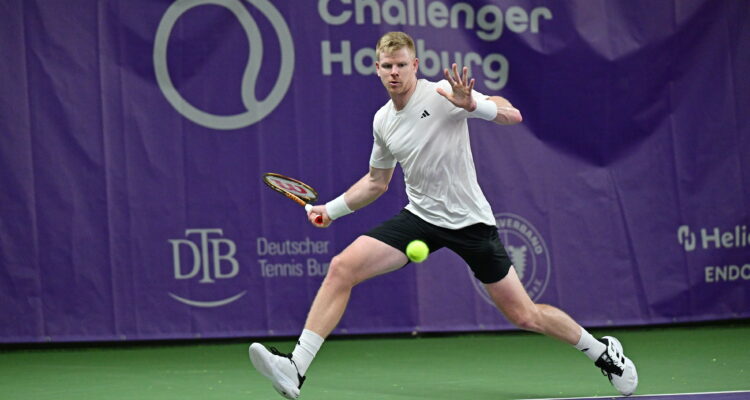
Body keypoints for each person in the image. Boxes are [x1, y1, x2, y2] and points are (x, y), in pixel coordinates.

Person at [248, 31, 638, 399]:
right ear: (377, 68)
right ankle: (295, 367)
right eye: (387, 66)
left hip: (471, 223)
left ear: (415, 64)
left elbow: (511, 113)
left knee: (526, 316)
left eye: (401, 64)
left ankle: (602, 351)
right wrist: (330, 211)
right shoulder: (383, 120)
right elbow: (375, 182)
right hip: (421, 218)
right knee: (341, 268)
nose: (394, 72)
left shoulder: (441, 93)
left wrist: (474, 105)